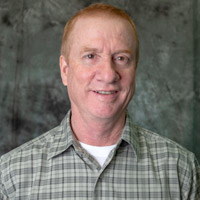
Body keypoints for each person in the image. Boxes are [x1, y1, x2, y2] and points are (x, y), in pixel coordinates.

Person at [0, 3, 199, 199]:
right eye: (90, 56)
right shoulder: (12, 177)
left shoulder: (181, 171)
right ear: (65, 70)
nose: (108, 74)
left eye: (121, 58)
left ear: (135, 69)